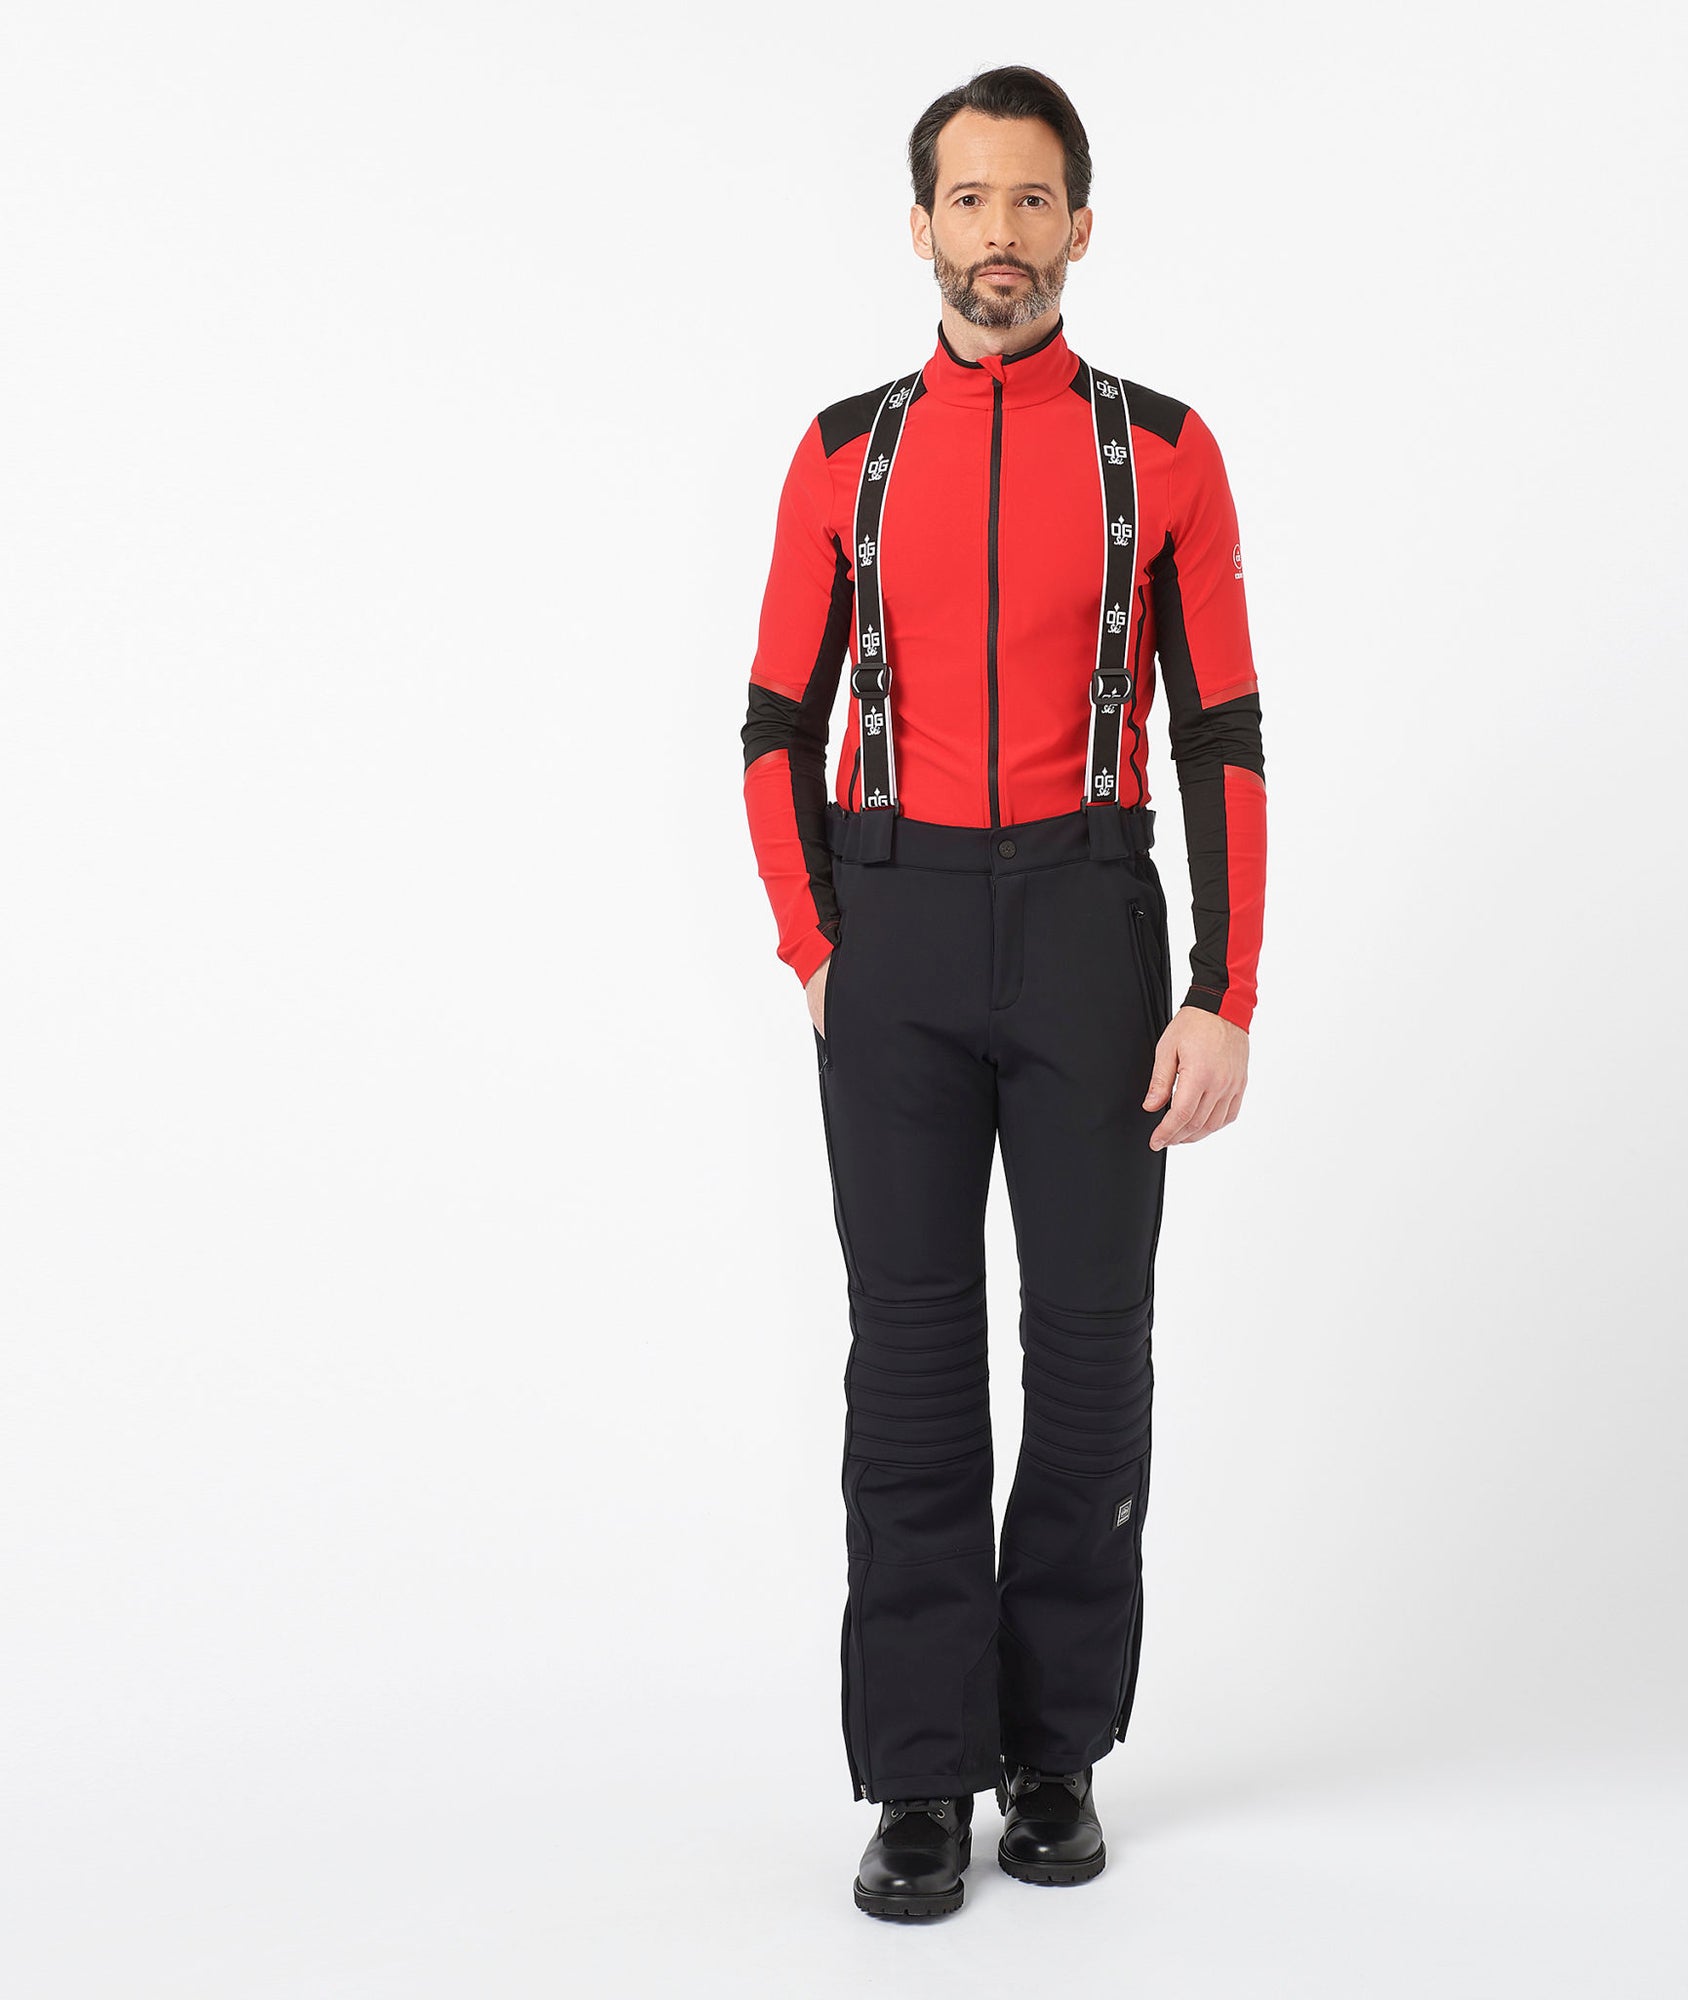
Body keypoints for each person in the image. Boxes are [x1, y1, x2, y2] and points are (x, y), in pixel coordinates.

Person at [738, 64, 1268, 1920]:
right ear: (920, 227)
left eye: (1033, 199)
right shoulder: (841, 455)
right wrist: (816, 944)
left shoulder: (1165, 451)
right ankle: (918, 1773)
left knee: (1093, 1353)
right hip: (890, 930)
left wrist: (1225, 989)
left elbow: (1222, 734)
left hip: (1084, 923)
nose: (1000, 234)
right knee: (908, 1364)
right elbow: (773, 726)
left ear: (1081, 227)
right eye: (968, 199)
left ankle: (1054, 1753)